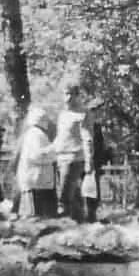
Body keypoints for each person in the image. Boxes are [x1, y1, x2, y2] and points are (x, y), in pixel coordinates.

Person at [54, 85, 88, 222]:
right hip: (60, 157)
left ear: (77, 96)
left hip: (73, 158)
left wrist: (89, 161)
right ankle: (80, 222)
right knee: (74, 194)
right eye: (65, 94)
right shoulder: (62, 115)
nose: (67, 98)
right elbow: (60, 137)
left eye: (71, 94)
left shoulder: (82, 115)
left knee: (64, 196)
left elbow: (88, 138)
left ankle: (64, 223)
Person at [16, 106, 58, 218]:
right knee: (37, 214)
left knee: (39, 214)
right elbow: (36, 156)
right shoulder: (36, 134)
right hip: (36, 180)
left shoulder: (34, 133)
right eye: (45, 119)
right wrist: (53, 150)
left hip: (37, 179)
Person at [82, 98, 108, 223]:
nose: (102, 113)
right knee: (89, 190)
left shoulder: (96, 125)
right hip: (89, 162)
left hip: (96, 162)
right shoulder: (87, 125)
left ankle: (93, 215)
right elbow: (89, 144)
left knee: (94, 190)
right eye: (100, 110)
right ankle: (89, 216)